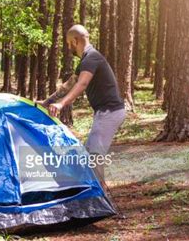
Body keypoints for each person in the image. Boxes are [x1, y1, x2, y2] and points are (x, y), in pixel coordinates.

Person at [38, 24, 126, 182]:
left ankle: (100, 196)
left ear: (75, 41)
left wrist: (61, 104)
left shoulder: (92, 57)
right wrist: (47, 102)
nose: (68, 47)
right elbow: (69, 84)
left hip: (109, 112)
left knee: (94, 155)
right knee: (91, 153)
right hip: (105, 112)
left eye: (68, 43)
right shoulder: (87, 59)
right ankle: (96, 192)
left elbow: (82, 84)